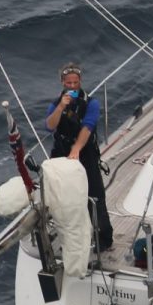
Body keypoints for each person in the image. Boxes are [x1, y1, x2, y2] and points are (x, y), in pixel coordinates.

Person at [45, 61, 114, 251]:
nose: (73, 87)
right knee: (62, 196)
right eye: (69, 83)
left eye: (76, 83)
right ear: (62, 83)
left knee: (95, 194)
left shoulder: (91, 103)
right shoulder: (55, 104)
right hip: (61, 152)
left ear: (80, 81)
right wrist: (61, 107)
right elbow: (50, 126)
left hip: (85, 152)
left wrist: (76, 149)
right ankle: (69, 237)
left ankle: (104, 238)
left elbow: (88, 127)